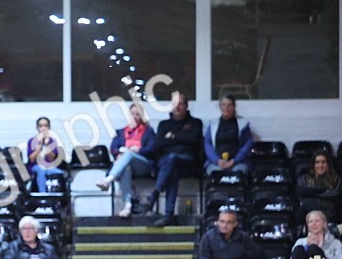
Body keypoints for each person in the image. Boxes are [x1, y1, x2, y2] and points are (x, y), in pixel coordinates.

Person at [145, 91, 203, 228]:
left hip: (188, 162)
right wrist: (181, 137)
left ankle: (155, 194)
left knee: (172, 159)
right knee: (172, 167)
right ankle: (167, 216)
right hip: (169, 164)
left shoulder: (195, 123)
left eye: (181, 104)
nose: (177, 107)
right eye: (175, 104)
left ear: (186, 106)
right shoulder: (163, 124)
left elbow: (193, 140)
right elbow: (158, 144)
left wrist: (172, 136)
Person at [98, 104, 156, 219]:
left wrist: (138, 150)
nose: (135, 117)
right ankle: (127, 206)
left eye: (138, 114)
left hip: (143, 163)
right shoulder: (121, 132)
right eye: (132, 114)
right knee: (126, 168)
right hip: (125, 164)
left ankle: (108, 180)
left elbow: (152, 148)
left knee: (129, 154)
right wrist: (119, 153)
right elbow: (113, 148)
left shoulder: (149, 132)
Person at [196, 208, 269, 259]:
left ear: (235, 224)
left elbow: (260, 257)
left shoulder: (244, 238)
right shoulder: (207, 238)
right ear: (217, 222)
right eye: (222, 221)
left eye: (229, 222)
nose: (224, 225)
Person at [203, 95, 253, 176]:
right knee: (216, 174)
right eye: (223, 105)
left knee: (238, 174)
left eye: (229, 105)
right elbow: (207, 144)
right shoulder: (213, 124)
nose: (226, 108)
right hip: (217, 163)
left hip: (238, 162)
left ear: (234, 107)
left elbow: (247, 145)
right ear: (220, 107)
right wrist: (217, 160)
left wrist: (234, 161)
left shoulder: (243, 124)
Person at [26, 116, 64, 193]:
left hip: (49, 167)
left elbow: (51, 159)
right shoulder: (32, 141)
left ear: (49, 127)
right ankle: (43, 194)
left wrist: (47, 145)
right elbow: (32, 159)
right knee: (41, 170)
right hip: (35, 167)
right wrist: (39, 145)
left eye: (46, 126)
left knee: (61, 173)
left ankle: (62, 196)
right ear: (37, 128)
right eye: (41, 126)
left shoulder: (52, 141)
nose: (43, 128)